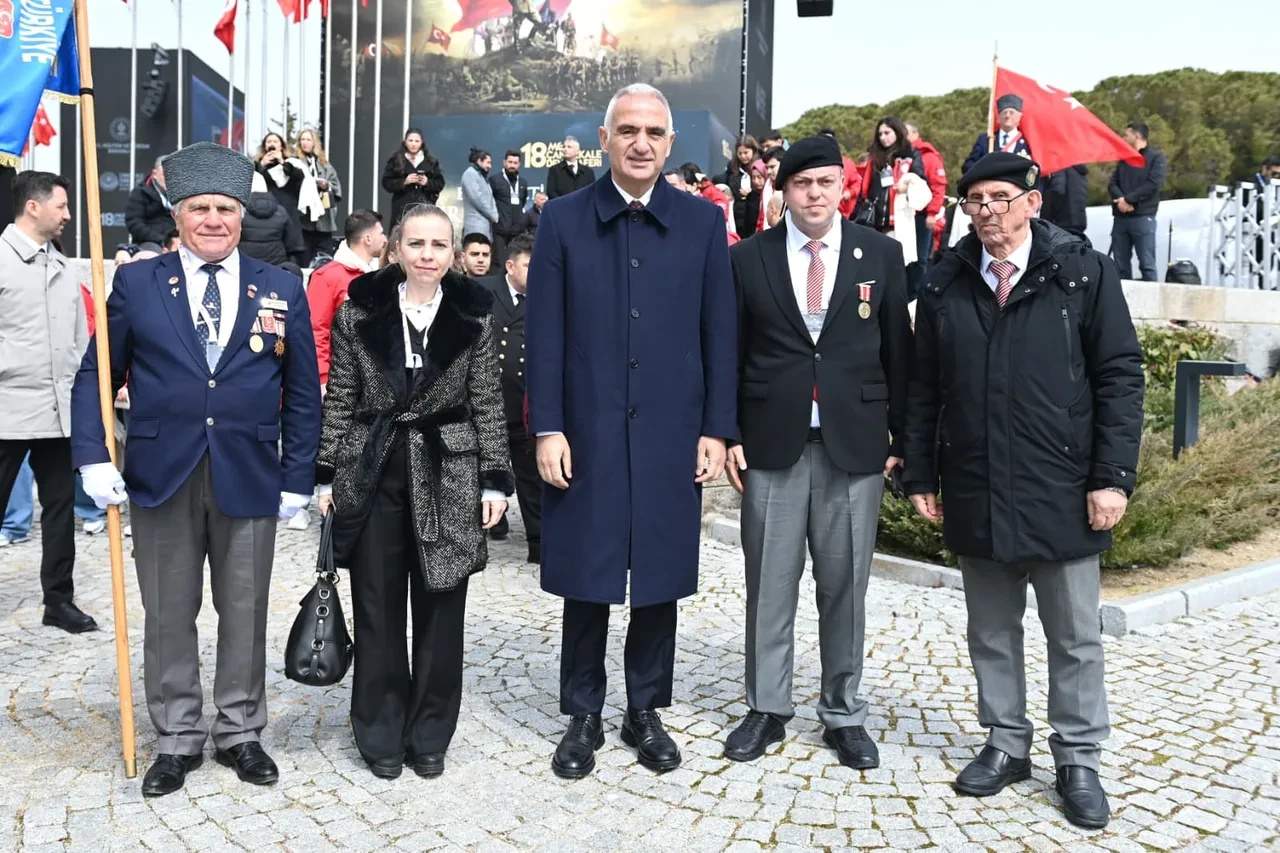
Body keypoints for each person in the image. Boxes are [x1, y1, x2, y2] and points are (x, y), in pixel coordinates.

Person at [902, 152, 1145, 830]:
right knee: (991, 629)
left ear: (1033, 202)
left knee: (1073, 635)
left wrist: (1112, 477)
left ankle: (1077, 758)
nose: (987, 211)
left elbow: (1121, 376)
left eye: (1001, 197)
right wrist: (920, 472)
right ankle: (1006, 741)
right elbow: (924, 387)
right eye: (975, 199)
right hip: (977, 481)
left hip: (1065, 485)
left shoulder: (1082, 270)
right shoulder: (946, 281)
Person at [72, 142, 322, 797]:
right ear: (178, 214)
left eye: (225, 208)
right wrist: (95, 456)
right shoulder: (138, 282)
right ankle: (177, 735)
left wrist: (298, 475)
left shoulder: (280, 286)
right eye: (198, 208)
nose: (213, 219)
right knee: (167, 611)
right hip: (161, 473)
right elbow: (97, 376)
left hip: (249, 473)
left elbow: (302, 391)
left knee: (244, 608)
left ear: (242, 214)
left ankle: (240, 729)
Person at [526, 83, 738, 779]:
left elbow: (719, 333)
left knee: (657, 574)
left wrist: (716, 428)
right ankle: (582, 711)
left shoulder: (704, 224)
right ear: (605, 140)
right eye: (628, 131)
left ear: (671, 144)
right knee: (587, 571)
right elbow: (545, 333)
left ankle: (644, 707)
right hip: (584, 426)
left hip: (672, 430)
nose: (641, 142)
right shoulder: (561, 220)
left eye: (653, 132)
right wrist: (547, 426)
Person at [721, 135, 911, 770]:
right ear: (782, 189)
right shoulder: (748, 259)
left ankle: (843, 712)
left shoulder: (880, 254)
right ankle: (767, 708)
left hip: (853, 446)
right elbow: (729, 353)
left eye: (826, 182)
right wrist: (728, 434)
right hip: (772, 444)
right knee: (768, 586)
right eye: (802, 184)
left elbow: (899, 356)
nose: (814, 194)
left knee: (845, 587)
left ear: (843, 188)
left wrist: (901, 440)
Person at [314, 204, 513, 780]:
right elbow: (343, 396)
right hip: (373, 469)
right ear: (395, 248)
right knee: (376, 608)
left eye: (439, 245)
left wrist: (496, 479)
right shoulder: (360, 311)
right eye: (417, 243)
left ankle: (430, 733)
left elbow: (487, 403)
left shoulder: (474, 316)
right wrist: (326, 473)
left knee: (441, 609)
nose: (428, 255)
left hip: (449, 468)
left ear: (453, 255)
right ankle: (378, 730)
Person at [0, 171, 97, 634]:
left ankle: (58, 600)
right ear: (33, 207)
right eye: (61, 205)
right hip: (7, 409)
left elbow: (80, 337)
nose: (68, 215)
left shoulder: (62, 266)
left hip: (59, 412)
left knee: (60, 510)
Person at [477, 232, 540, 563]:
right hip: (485, 404)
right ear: (511, 265)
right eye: (530, 265)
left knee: (532, 481)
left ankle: (540, 546)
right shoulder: (484, 291)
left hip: (523, 406)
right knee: (476, 473)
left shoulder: (545, 297)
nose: (537, 271)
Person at [307, 209, 386, 392]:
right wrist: (323, 380)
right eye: (381, 233)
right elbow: (316, 331)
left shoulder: (378, 277)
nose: (385, 239)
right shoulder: (327, 277)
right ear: (367, 238)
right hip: (338, 382)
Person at [1108, 121, 1166, 282]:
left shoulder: (1156, 158)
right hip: (1121, 219)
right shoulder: (1125, 159)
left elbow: (1153, 184)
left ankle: (1151, 306)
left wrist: (1128, 199)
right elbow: (1112, 183)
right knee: (1120, 267)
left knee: (1147, 264)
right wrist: (1121, 201)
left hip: (1143, 218)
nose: (1123, 138)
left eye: (1126, 135)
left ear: (1137, 136)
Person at [295, 128, 344, 264]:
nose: (305, 142)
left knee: (325, 258)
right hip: (304, 220)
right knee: (304, 259)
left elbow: (337, 188)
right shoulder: (295, 162)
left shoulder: (324, 165)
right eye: (302, 139)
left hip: (324, 219)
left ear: (314, 143)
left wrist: (326, 186)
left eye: (308, 139)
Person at [381, 128, 445, 227]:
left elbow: (440, 183)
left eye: (417, 141)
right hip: (401, 206)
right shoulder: (395, 160)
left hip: (425, 206)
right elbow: (386, 182)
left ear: (422, 143)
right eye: (410, 140)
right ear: (405, 142)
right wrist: (404, 182)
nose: (413, 144)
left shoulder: (430, 161)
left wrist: (427, 182)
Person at [963, 94, 1032, 173]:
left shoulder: (1027, 142)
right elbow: (968, 165)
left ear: (1019, 117)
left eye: (1011, 112)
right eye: (1004, 112)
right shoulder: (985, 140)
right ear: (998, 118)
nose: (1007, 116)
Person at [489, 150, 530, 267]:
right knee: (500, 263)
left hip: (517, 230)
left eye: (515, 163)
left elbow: (523, 201)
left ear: (519, 164)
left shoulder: (523, 182)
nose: (512, 165)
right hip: (500, 229)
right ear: (504, 162)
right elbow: (489, 202)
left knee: (516, 263)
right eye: (510, 162)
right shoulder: (495, 180)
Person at [125, 157, 173, 245]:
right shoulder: (140, 192)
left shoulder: (180, 194)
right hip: (148, 242)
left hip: (175, 242)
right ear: (154, 174)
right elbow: (135, 224)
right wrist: (161, 240)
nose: (168, 179)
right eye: (164, 175)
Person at [461, 148, 499, 240]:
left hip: (485, 226)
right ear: (479, 161)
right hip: (475, 226)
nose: (490, 166)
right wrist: (493, 215)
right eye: (488, 162)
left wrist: (495, 214)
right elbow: (478, 199)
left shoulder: (482, 176)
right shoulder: (470, 174)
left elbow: (490, 198)